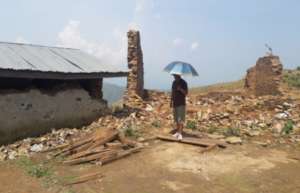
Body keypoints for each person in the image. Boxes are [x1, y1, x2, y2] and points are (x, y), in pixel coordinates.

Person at [170, 74, 188, 140]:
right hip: (175, 103)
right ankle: (177, 132)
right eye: (174, 76)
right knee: (176, 118)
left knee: (180, 118)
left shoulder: (183, 83)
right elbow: (172, 92)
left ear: (179, 75)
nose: (174, 77)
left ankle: (180, 133)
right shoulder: (174, 82)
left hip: (181, 103)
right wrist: (171, 101)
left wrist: (180, 89)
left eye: (175, 76)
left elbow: (186, 93)